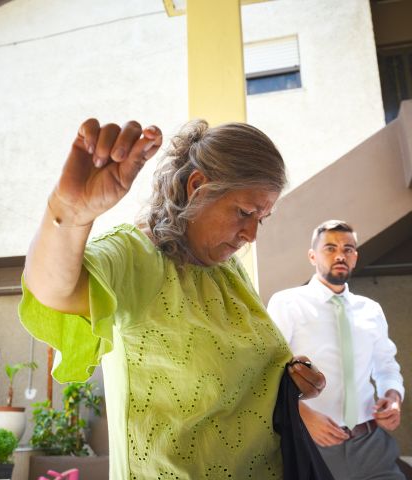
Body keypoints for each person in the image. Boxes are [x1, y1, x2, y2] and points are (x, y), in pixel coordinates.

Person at [19, 118, 325, 479]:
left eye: (263, 218)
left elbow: (236, 378)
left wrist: (289, 382)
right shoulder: (134, 256)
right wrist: (68, 213)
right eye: (244, 212)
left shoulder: (227, 270)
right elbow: (55, 290)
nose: (252, 233)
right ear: (197, 186)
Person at [267, 220, 405, 479]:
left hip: (371, 445)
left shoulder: (371, 309)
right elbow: (267, 370)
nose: (340, 255)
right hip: (311, 443)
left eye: (348, 249)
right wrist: (302, 415)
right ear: (312, 256)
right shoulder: (287, 303)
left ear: (355, 257)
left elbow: (386, 366)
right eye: (330, 248)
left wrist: (393, 396)